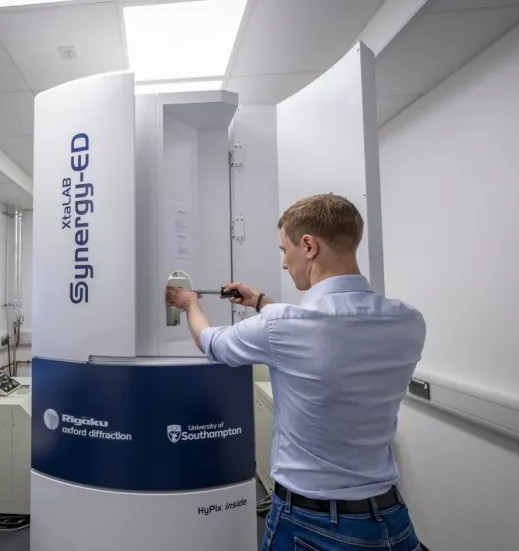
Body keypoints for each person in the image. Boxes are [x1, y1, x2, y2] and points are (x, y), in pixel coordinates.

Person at [166, 193, 426, 551]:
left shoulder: (284, 326)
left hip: (312, 526)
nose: (285, 263)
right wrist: (260, 302)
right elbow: (326, 337)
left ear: (308, 245)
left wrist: (189, 304)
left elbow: (212, 343)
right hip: (392, 522)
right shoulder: (408, 321)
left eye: (283, 250)